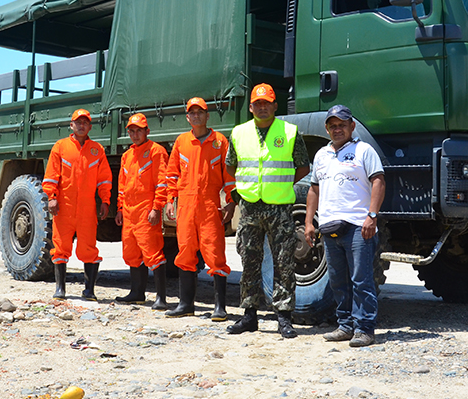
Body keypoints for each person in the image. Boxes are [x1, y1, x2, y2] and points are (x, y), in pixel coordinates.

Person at [225, 83, 309, 339]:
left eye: (267, 103)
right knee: (249, 260)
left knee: (284, 262)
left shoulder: (290, 132)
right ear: (251, 107)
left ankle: (283, 317)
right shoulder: (238, 133)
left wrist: (281, 185)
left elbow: (303, 166)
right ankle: (249, 315)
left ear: (275, 106)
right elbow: (231, 166)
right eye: (258, 103)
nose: (262, 107)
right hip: (250, 206)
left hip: (279, 207)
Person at [304, 105, 386, 347]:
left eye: (342, 124)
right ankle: (346, 326)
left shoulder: (364, 150)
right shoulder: (321, 155)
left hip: (359, 227)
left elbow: (379, 181)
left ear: (352, 126)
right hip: (329, 227)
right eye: (333, 125)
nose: (337, 129)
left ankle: (365, 329)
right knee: (338, 281)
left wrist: (372, 216)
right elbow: (314, 189)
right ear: (327, 129)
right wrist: (309, 222)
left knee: (361, 280)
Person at [164, 97, 236, 319]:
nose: (196, 116)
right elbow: (171, 174)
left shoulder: (219, 142)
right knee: (185, 252)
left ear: (207, 116)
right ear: (188, 117)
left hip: (209, 206)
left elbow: (229, 176)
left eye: (200, 112)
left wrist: (230, 201)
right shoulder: (181, 142)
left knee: (215, 253)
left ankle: (219, 307)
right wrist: (170, 199)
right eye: (192, 113)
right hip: (186, 206)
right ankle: (186, 305)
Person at [42, 109, 112, 301]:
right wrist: (52, 197)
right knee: (60, 246)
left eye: (85, 122)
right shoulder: (61, 147)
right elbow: (51, 175)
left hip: (87, 208)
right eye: (78, 122)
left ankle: (89, 291)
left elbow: (104, 179)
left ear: (90, 126)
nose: (81, 126)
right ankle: (60, 289)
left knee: (88, 247)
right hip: (64, 206)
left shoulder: (97, 150)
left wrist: (105, 200)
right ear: (71, 125)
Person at [114, 113, 170, 309]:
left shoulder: (156, 151)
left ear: (147, 131)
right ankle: (137, 293)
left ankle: (161, 298)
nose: (135, 134)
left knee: (153, 252)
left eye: (139, 130)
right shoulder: (127, 156)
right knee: (132, 253)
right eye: (132, 131)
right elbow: (122, 186)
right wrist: (120, 208)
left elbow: (162, 182)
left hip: (146, 210)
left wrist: (157, 207)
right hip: (129, 212)